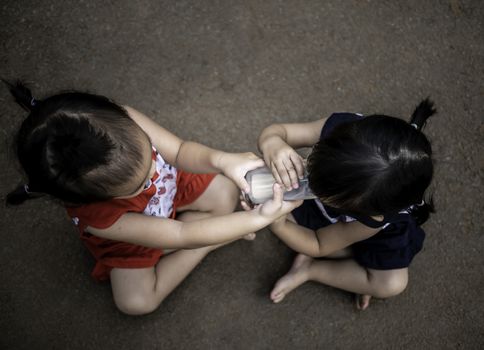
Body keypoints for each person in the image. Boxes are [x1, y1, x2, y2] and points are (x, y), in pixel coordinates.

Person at [4, 81, 300, 315]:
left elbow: (181, 151)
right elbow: (181, 233)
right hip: (140, 237)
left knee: (226, 192)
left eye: (150, 159)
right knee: (137, 302)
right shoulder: (99, 218)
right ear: (89, 199)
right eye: (139, 185)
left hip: (177, 190)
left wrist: (223, 160)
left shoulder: (125, 119)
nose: (153, 177)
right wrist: (258, 217)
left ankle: (213, 235)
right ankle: (211, 243)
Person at [255, 100, 436, 310]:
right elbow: (280, 131)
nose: (308, 181)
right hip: (326, 218)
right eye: (313, 160)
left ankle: (310, 270)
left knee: (391, 284)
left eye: (319, 189)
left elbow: (319, 243)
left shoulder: (373, 218)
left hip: (364, 235)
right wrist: (273, 142)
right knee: (259, 199)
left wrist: (278, 225)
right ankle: (341, 259)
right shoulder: (343, 128)